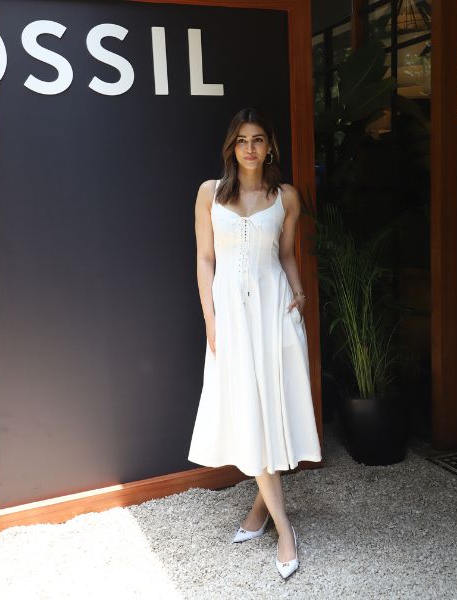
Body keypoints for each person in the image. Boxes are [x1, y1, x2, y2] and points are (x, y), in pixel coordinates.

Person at [187, 107, 322, 580]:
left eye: (258, 139)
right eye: (242, 140)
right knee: (248, 409)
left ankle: (270, 518)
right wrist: (210, 319)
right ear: (232, 146)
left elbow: (286, 255)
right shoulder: (209, 193)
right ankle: (281, 524)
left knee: (272, 410)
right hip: (231, 318)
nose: (250, 148)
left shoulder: (286, 197)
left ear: (270, 147)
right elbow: (205, 259)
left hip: (274, 314)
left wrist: (300, 295)